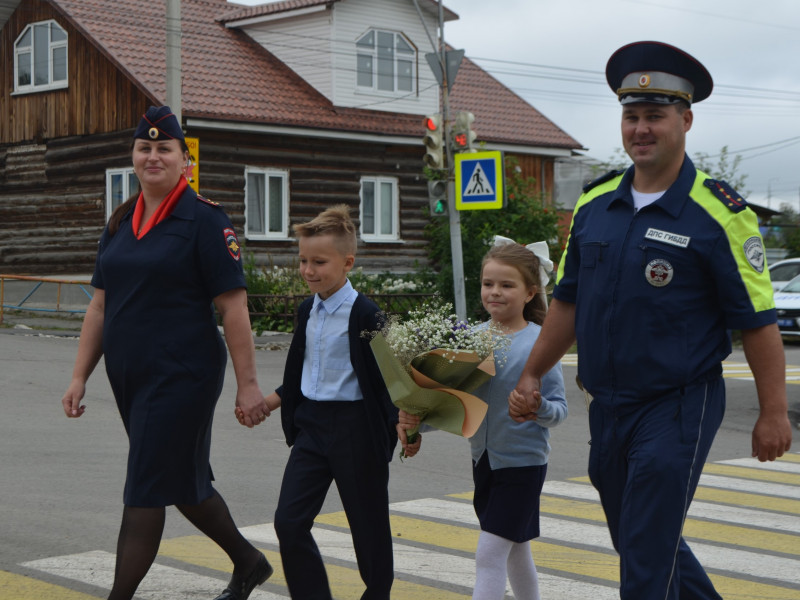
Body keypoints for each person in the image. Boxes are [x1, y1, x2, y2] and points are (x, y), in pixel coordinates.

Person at [509, 41, 793, 600]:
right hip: (609, 404)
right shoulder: (594, 206)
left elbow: (757, 322)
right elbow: (567, 301)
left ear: (685, 120)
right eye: (631, 116)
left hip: (679, 403)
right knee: (643, 541)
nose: (641, 128)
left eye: (655, 116)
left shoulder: (720, 214)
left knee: (643, 557)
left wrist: (774, 413)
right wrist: (532, 374)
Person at [60, 106, 273, 600]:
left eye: (164, 148)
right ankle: (249, 562)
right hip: (131, 377)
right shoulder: (119, 222)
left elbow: (233, 307)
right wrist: (78, 376)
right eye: (144, 148)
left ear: (185, 160)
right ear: (133, 157)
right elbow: (99, 307)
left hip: (182, 374)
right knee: (179, 480)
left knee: (145, 486)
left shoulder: (204, 219)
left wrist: (247, 384)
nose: (153, 156)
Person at [243, 205, 398, 600]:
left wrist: (408, 425)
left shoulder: (368, 314)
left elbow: (395, 381)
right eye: (303, 260)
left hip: (356, 430)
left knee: (368, 530)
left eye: (319, 262)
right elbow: (303, 375)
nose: (308, 270)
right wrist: (267, 403)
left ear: (348, 262)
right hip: (312, 428)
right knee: (289, 522)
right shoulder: (307, 310)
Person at [398, 239, 567, 600]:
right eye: (488, 284)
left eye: (507, 285)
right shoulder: (470, 338)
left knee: (489, 553)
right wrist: (417, 422)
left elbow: (559, 411)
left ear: (529, 292)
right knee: (515, 549)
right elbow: (455, 403)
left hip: (523, 466)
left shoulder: (541, 343)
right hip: (484, 462)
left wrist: (538, 408)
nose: (495, 292)